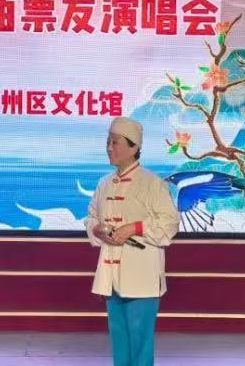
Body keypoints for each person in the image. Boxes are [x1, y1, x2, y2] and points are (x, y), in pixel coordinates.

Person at [85, 117, 181, 366]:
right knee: (119, 341)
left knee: (140, 343)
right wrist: (97, 229)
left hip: (142, 275)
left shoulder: (152, 183)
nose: (109, 148)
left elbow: (170, 222)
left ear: (134, 146)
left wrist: (135, 228)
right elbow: (91, 216)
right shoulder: (104, 184)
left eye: (115, 142)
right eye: (108, 142)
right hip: (112, 274)